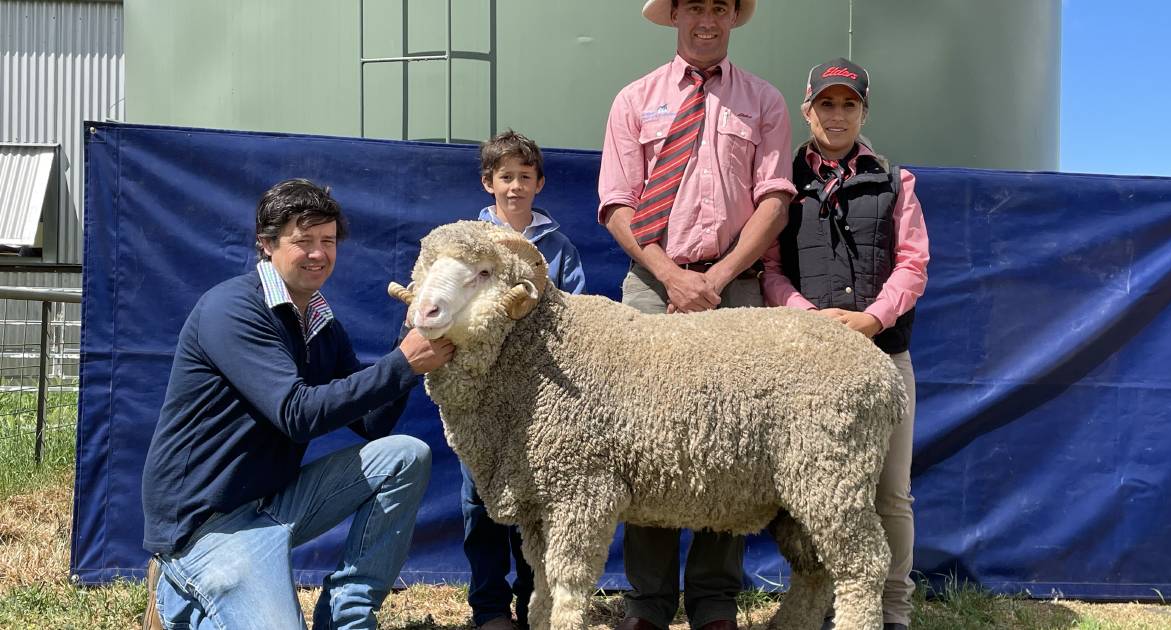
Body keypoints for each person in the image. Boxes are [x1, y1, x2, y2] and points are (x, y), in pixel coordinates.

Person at [140, 178, 455, 630]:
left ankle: (345, 618)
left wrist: (407, 347)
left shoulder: (321, 322)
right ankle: (177, 587)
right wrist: (402, 365)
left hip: (274, 503)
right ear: (267, 245)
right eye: (302, 241)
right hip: (209, 524)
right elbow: (297, 414)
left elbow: (372, 425)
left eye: (328, 241)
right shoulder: (233, 309)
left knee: (405, 456)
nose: (319, 253)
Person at [597, 1, 795, 628]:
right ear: (675, 15)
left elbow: (774, 200)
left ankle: (714, 601)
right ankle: (648, 602)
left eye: (719, 7)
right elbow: (617, 203)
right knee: (644, 442)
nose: (706, 19)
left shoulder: (763, 101)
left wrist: (717, 275)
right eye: (694, 6)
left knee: (728, 442)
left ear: (732, 18)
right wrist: (671, 276)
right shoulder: (634, 100)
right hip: (654, 285)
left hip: (731, 285)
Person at [761, 57, 930, 630]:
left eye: (848, 104)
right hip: (809, 365)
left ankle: (892, 611)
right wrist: (810, 318)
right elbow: (770, 269)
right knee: (815, 490)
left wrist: (873, 321)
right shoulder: (782, 185)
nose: (837, 115)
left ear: (864, 111)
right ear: (806, 108)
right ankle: (824, 608)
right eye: (826, 104)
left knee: (890, 494)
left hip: (886, 355)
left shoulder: (895, 178)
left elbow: (913, 263)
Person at [463, 130, 587, 630]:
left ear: (541, 183)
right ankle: (489, 609)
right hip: (482, 394)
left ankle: (533, 602)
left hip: (539, 398)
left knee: (535, 502)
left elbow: (575, 318)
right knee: (479, 500)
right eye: (505, 177)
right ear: (488, 183)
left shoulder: (559, 249)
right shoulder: (465, 242)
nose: (515, 186)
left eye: (525, 177)